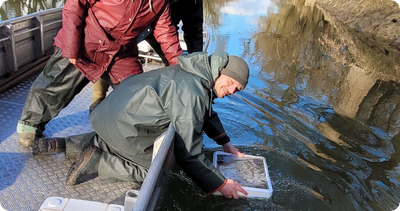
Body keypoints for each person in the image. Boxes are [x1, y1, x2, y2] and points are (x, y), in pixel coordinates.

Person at [32, 51, 250, 199]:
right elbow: (189, 154)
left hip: (107, 115)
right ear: (221, 71)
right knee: (156, 171)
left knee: (107, 140)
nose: (231, 90)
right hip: (126, 126)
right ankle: (98, 161)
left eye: (236, 89)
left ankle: (62, 145)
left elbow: (206, 111)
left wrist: (226, 144)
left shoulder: (196, 72)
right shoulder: (192, 91)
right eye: (231, 82)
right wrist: (220, 184)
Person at [16, 0, 183, 147]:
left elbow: (165, 32)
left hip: (121, 52)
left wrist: (181, 67)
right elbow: (75, 5)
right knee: (56, 83)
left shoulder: (161, 2)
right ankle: (30, 124)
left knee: (138, 94)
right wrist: (71, 46)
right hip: (86, 41)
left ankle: (126, 138)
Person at [89, 0, 204, 111]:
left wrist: (197, 68)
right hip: (136, 22)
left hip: (165, 32)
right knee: (111, 54)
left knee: (176, 69)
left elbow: (194, 30)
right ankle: (99, 98)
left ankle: (176, 109)